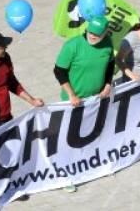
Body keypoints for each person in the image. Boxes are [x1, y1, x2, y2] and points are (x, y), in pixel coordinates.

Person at [53, 18, 114, 193]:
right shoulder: (73, 46)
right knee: (69, 140)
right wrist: (71, 94)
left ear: (105, 34)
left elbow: (110, 65)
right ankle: (64, 176)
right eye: (90, 32)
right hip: (73, 103)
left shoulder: (108, 43)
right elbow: (59, 71)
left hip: (96, 100)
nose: (93, 36)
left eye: (97, 34)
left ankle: (92, 167)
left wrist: (108, 84)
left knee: (94, 135)